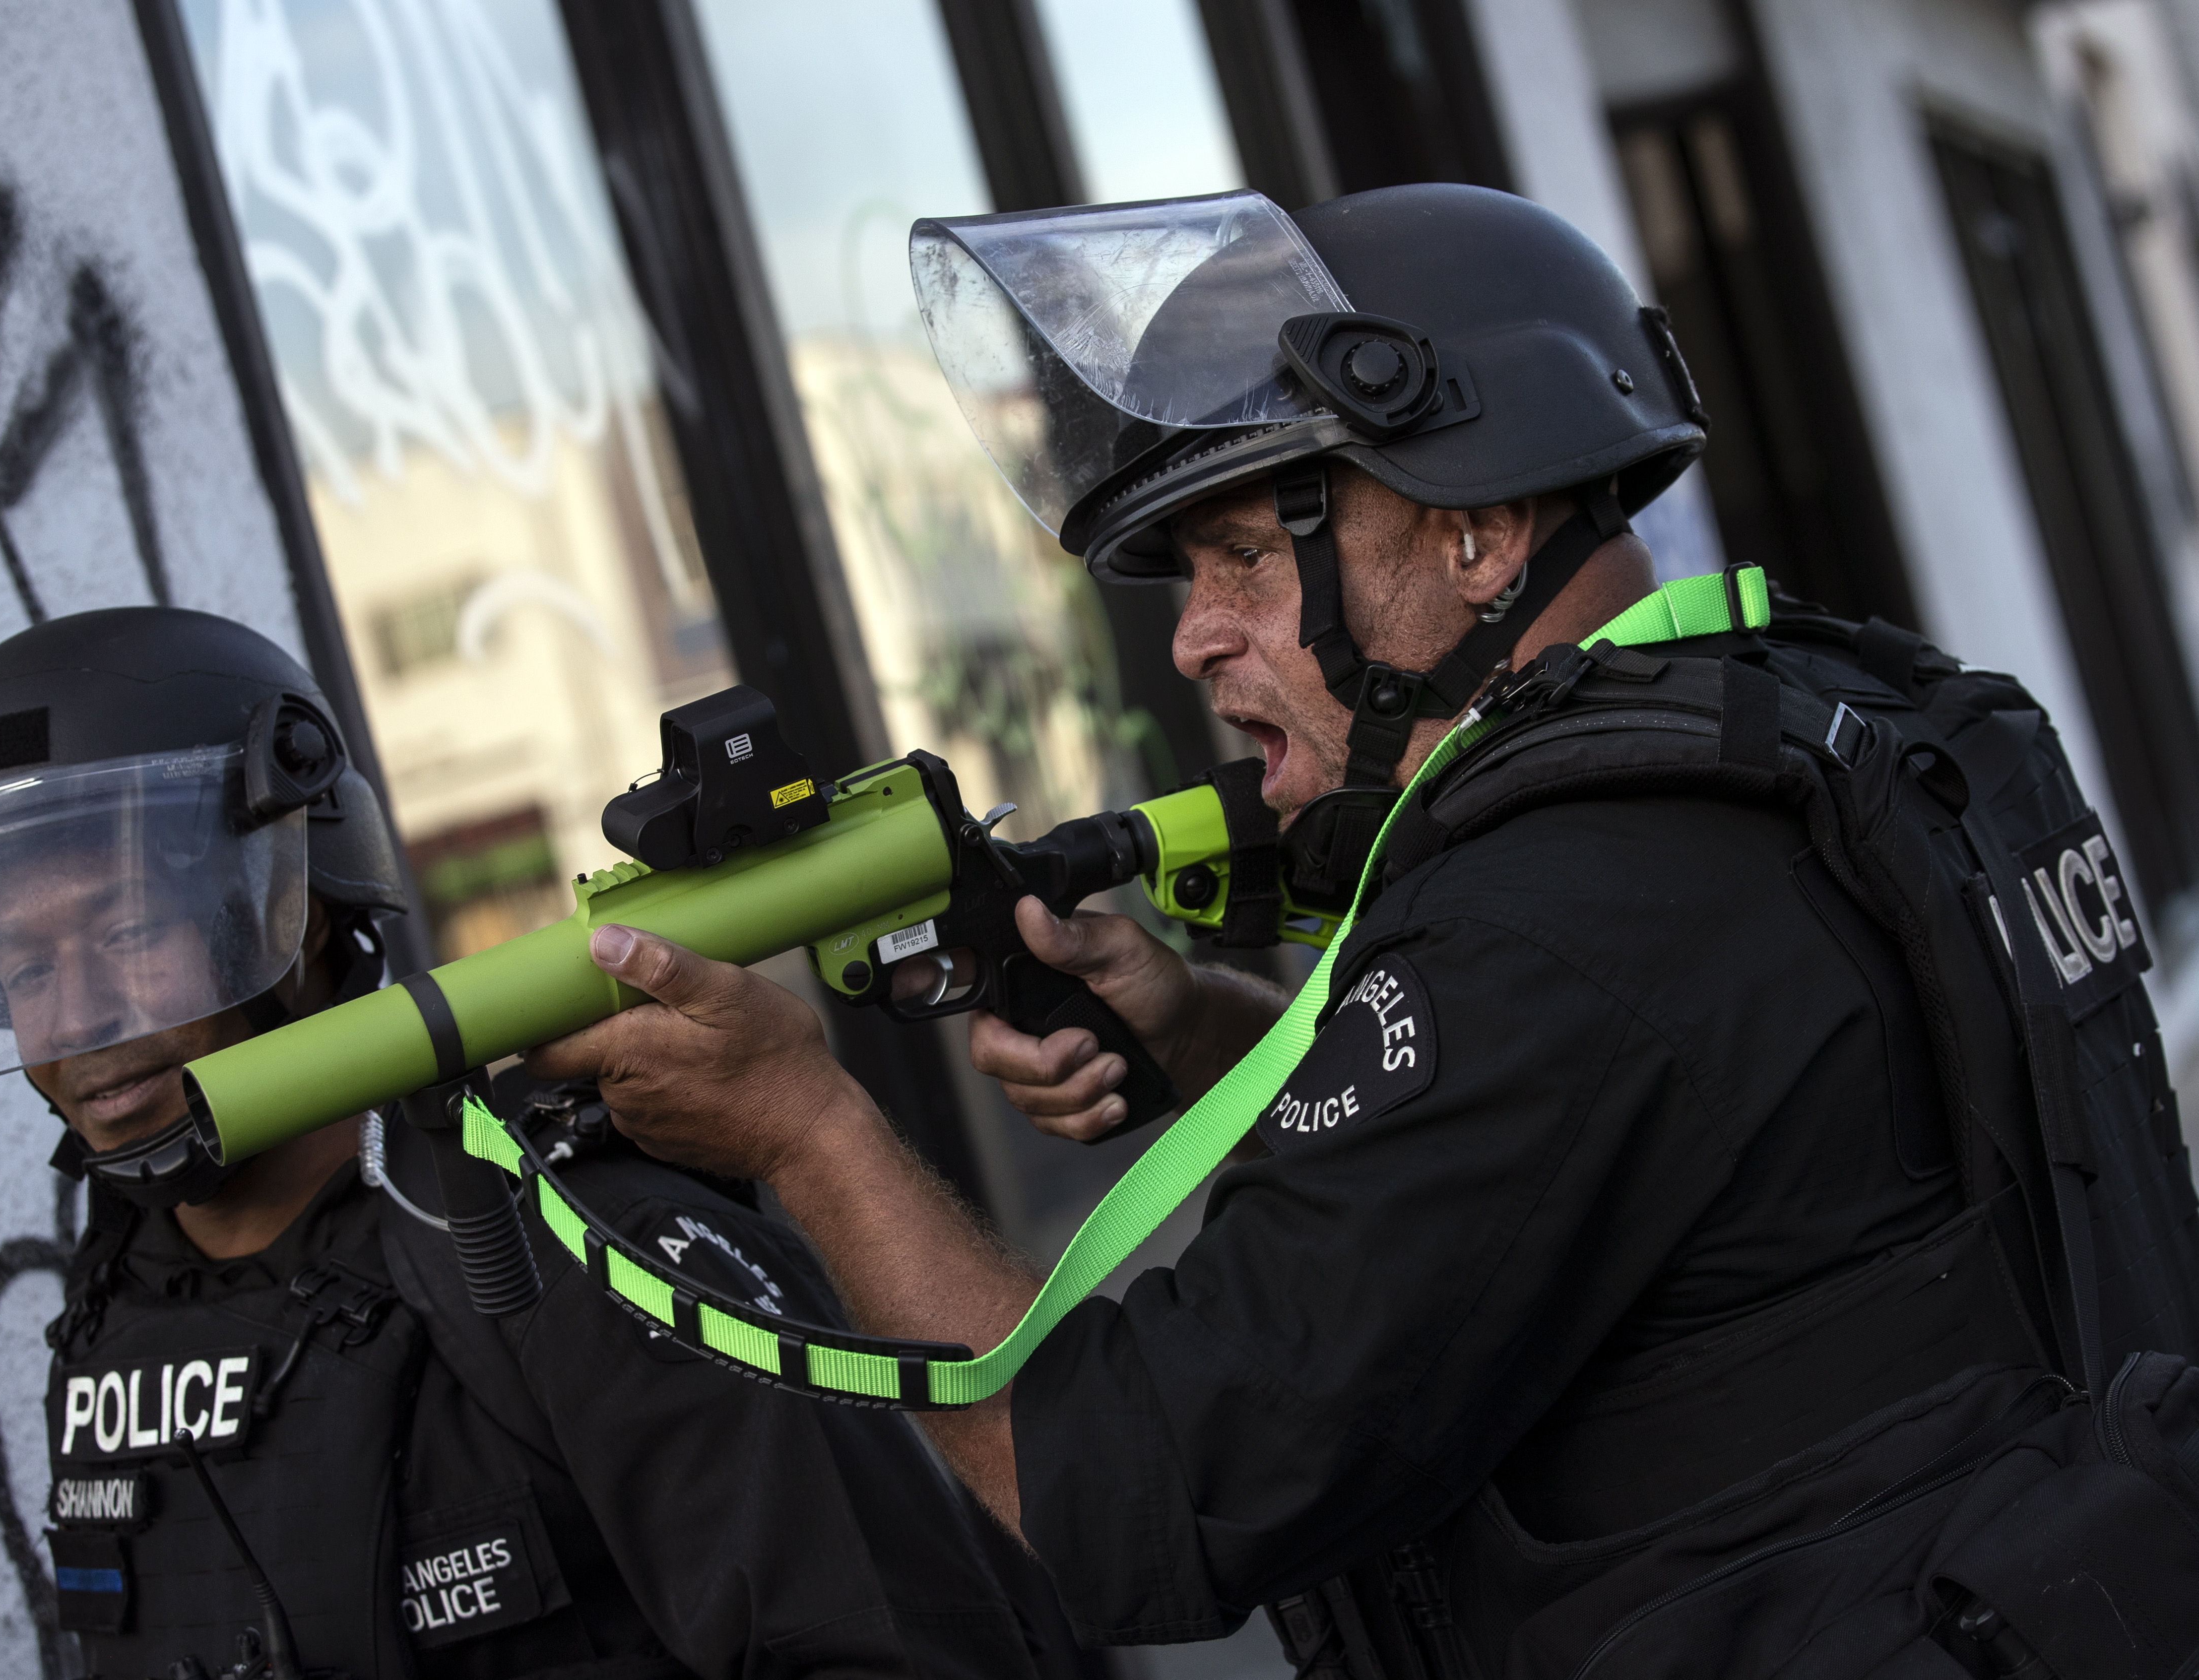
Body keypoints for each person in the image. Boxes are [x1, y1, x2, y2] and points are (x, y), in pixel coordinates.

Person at [521, 184, 2199, 1674]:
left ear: (1475, 533)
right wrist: (1214, 1035)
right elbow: (1623, 1162)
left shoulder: (1555, 921)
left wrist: (807, 1130)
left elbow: (1132, 1492)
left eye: (1243, 556)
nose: (1196, 641)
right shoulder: (1818, 724)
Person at [0, 607, 1050, 1680]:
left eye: (123, 931)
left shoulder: (578, 1245)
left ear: (297, 914)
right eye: (24, 965)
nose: (75, 1020)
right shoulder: (122, 1294)